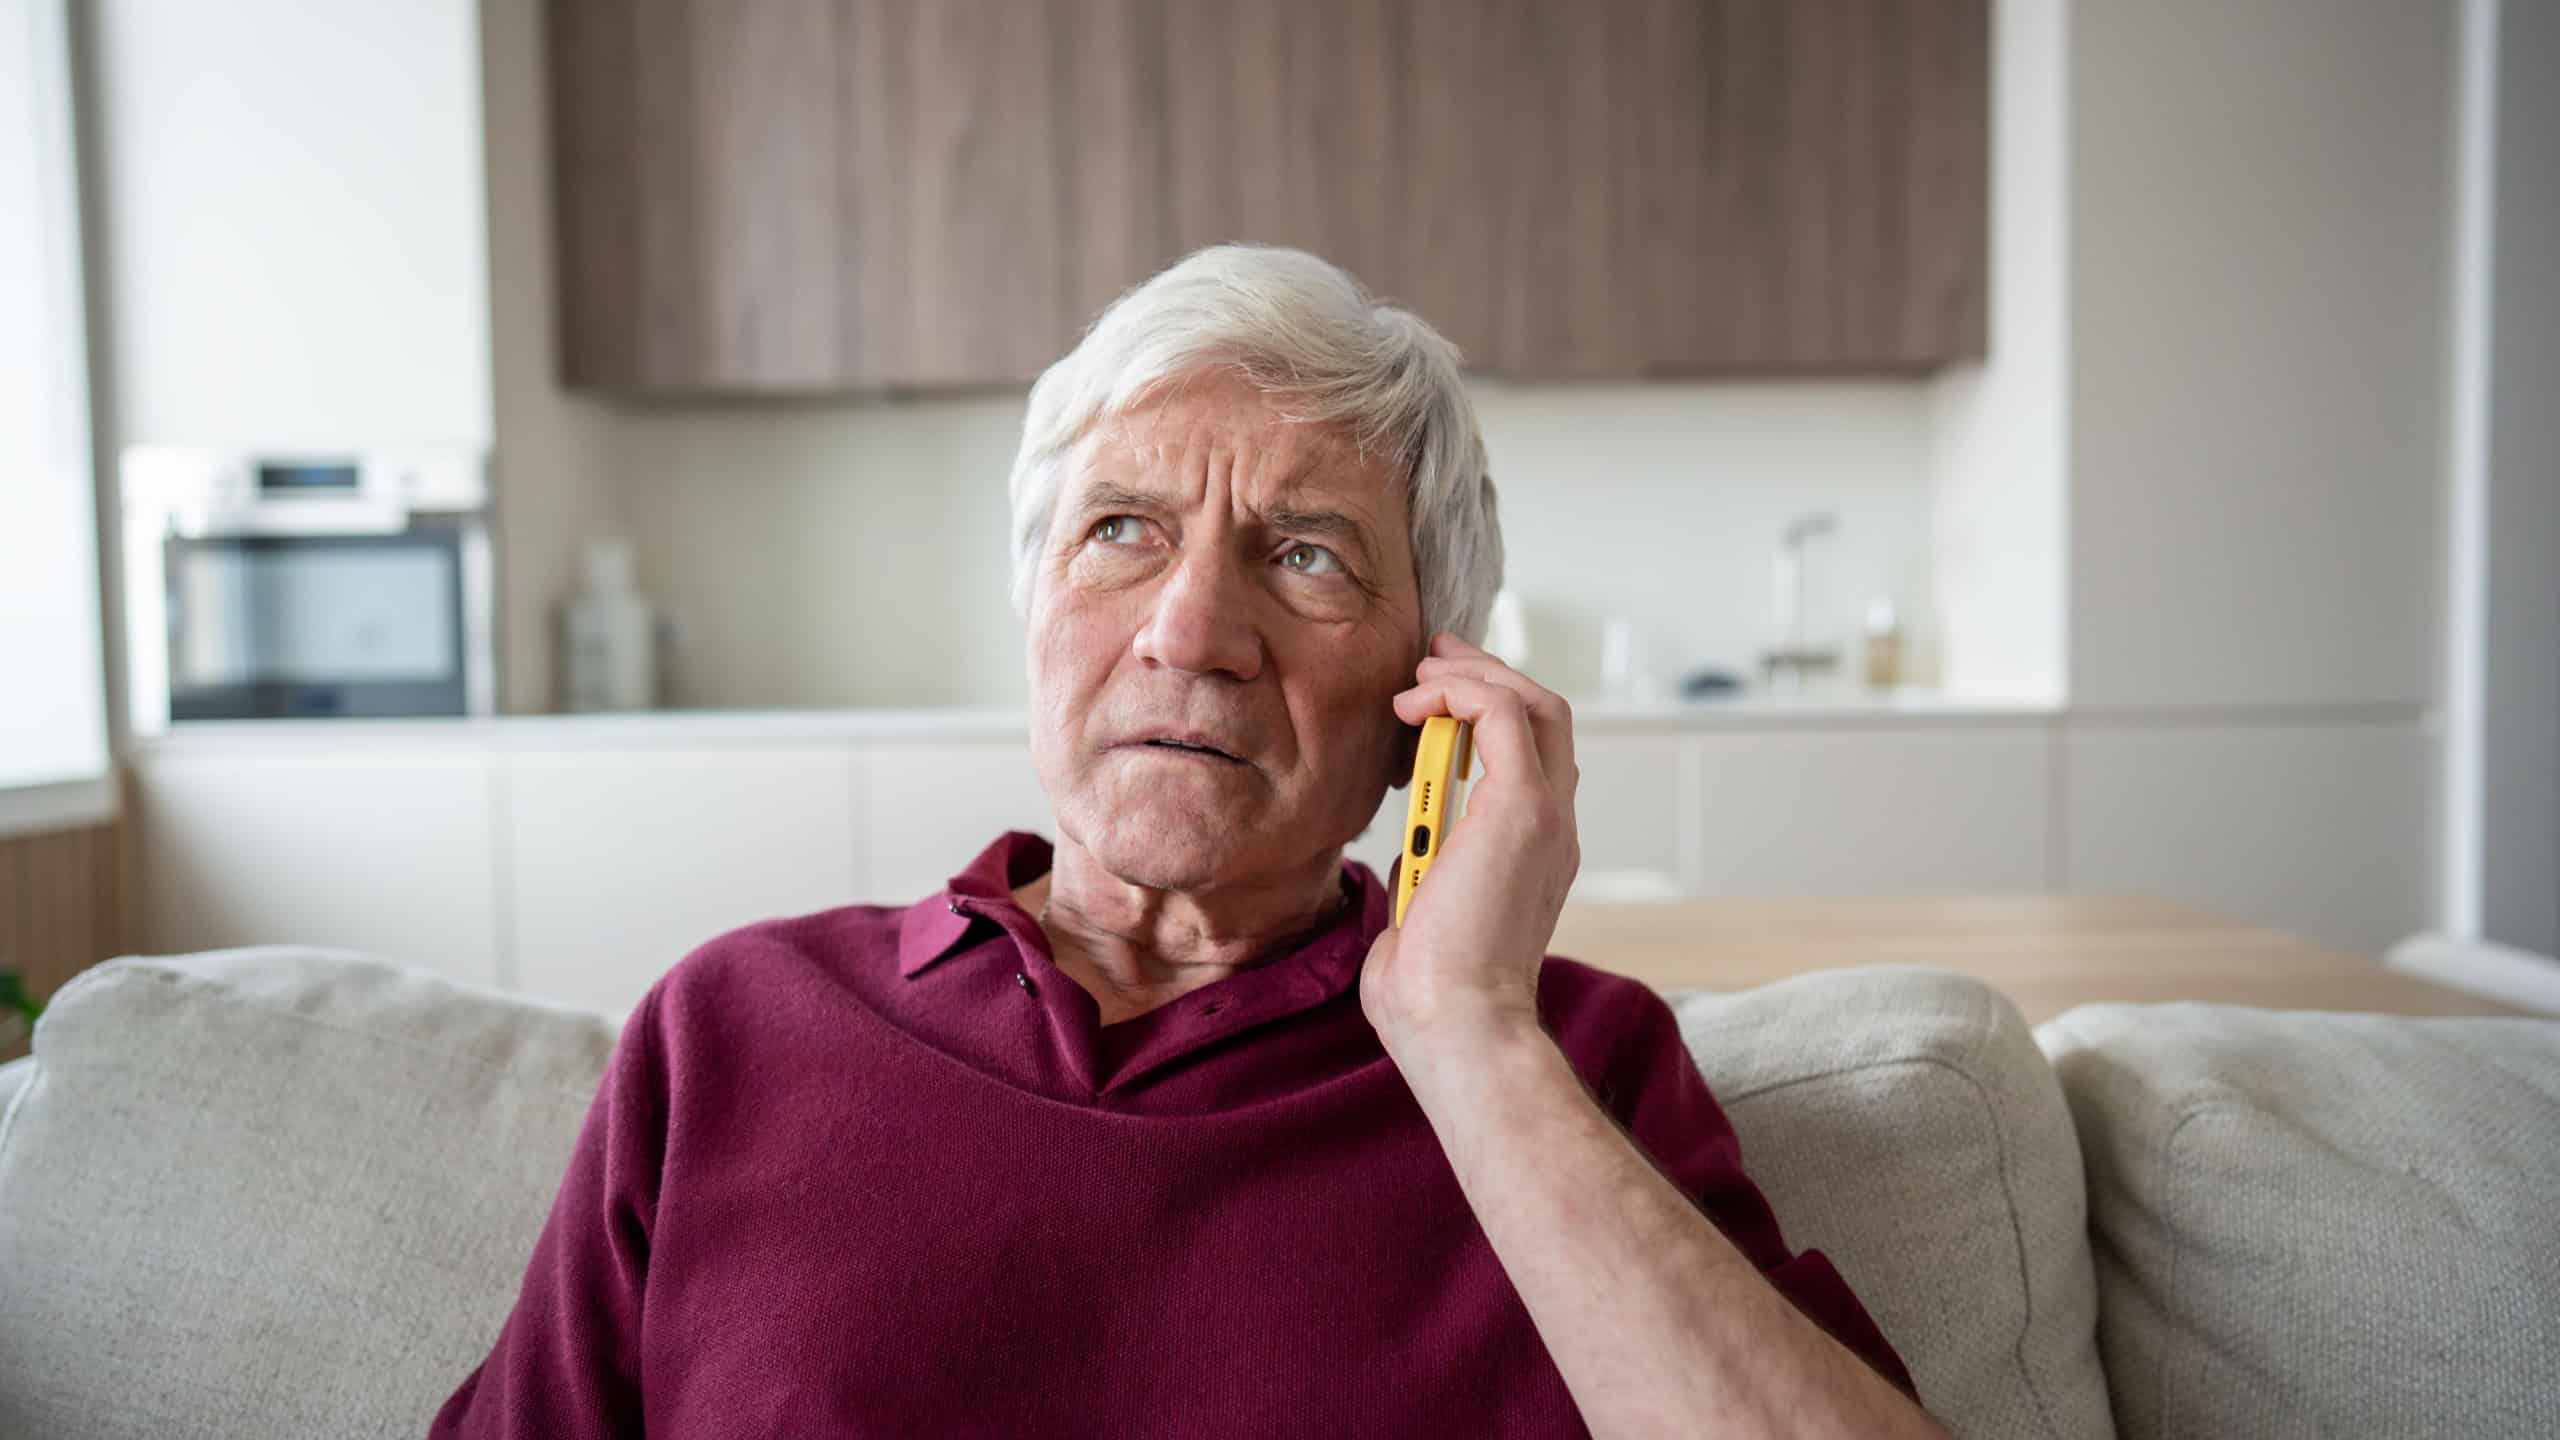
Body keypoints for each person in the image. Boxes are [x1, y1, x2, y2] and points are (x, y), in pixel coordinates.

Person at [431, 245, 1941, 1438]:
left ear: (1433, 697)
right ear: (1037, 609)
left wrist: (1468, 1036)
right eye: (1121, 532)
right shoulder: (732, 1031)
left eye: (1303, 555)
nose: (1192, 632)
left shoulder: (1570, 1068)